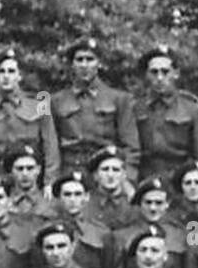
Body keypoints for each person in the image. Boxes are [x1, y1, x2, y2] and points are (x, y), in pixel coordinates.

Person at [50, 38, 140, 178]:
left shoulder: (120, 99)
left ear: (99, 63)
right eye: (79, 60)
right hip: (69, 173)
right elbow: (51, 146)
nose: (84, 65)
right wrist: (52, 180)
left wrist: (127, 179)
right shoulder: (56, 101)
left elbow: (131, 148)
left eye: (90, 59)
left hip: (106, 173)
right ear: (72, 65)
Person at [0, 47, 60, 186]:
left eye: (11, 71)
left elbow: (51, 147)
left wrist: (50, 182)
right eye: (1, 71)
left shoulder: (39, 105)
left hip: (33, 181)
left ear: (19, 76)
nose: (6, 76)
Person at [133, 45, 198, 182]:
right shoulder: (136, 108)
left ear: (176, 73)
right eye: (154, 72)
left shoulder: (192, 109)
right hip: (145, 179)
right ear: (147, 75)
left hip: (180, 179)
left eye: (165, 72)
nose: (159, 78)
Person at [4, 143, 58, 228]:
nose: (25, 174)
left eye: (30, 168)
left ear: (38, 170)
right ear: (11, 171)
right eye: (20, 169)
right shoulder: (2, 203)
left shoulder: (51, 203)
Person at [85, 145, 137, 230]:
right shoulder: (86, 202)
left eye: (116, 170)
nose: (110, 175)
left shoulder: (131, 204)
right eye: (105, 169)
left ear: (124, 175)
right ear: (95, 175)